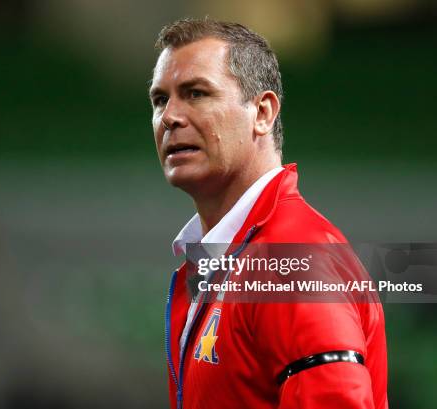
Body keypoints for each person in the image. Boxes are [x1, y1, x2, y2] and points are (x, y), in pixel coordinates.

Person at [149, 18, 388, 409]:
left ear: (262, 113)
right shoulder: (229, 257)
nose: (170, 117)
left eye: (195, 93)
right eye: (161, 100)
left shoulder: (290, 258)